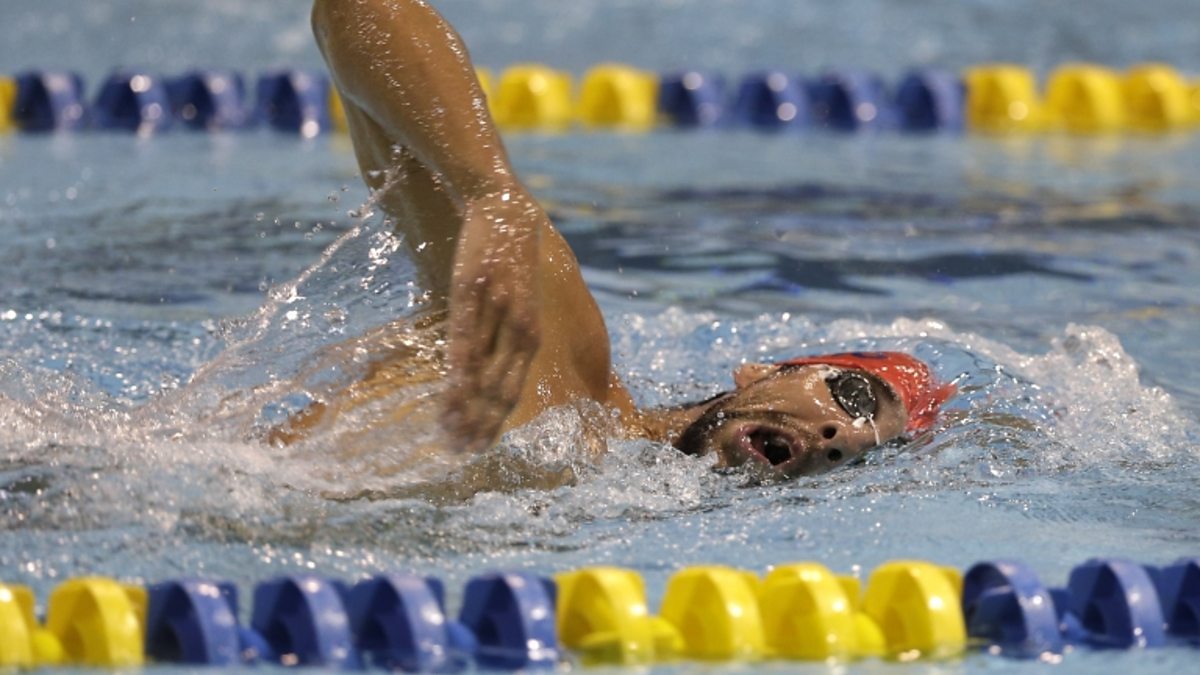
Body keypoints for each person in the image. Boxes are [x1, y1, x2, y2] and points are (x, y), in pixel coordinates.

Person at [301, 0, 954, 481]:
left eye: (860, 455)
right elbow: (355, 13)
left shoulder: (611, 512)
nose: (841, 437)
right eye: (855, 397)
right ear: (762, 371)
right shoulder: (557, 359)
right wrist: (491, 193)